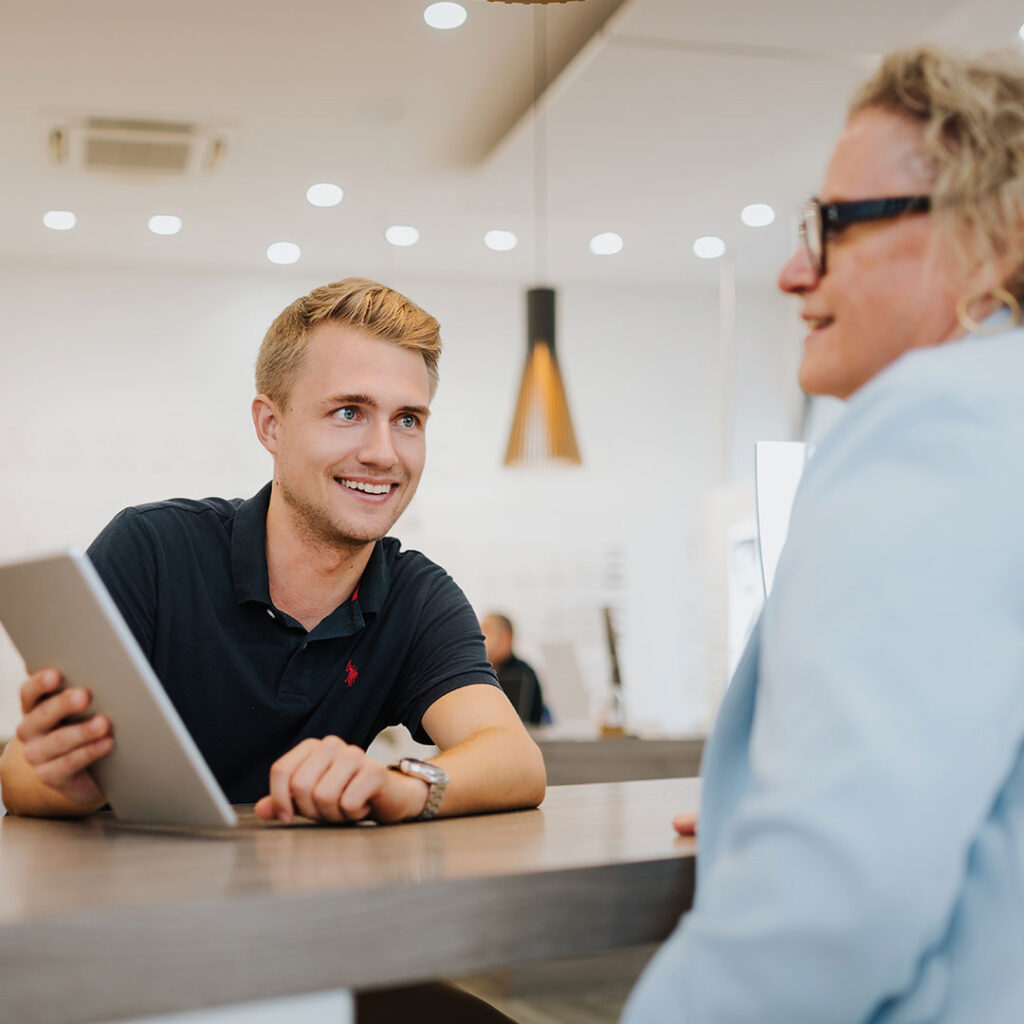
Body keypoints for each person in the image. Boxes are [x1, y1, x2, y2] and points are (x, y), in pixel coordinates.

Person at [624, 47, 1024, 1022]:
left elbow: (836, 892)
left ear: (991, 236)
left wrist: (804, 833)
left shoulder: (936, 418)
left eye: (832, 226)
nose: (793, 270)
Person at [0, 277, 546, 828]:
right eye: (349, 412)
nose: (383, 453)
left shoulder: (417, 595)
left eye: (408, 420)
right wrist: (72, 782)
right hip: (137, 899)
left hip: (307, 904)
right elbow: (21, 772)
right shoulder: (153, 550)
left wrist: (401, 786)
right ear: (270, 425)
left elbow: (515, 759)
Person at [480, 613, 546, 726]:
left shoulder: (523, 673)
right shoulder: (482, 671)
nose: (481, 637)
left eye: (487, 631)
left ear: (506, 637)